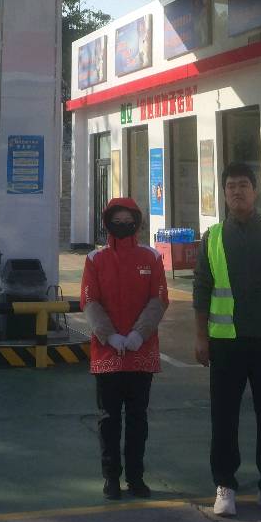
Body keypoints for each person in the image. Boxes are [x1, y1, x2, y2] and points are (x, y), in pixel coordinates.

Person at [193, 162, 261, 519]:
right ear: (224, 194)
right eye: (231, 186)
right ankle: (225, 485)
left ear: (255, 191)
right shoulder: (212, 238)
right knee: (224, 416)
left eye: (243, 185)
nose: (237, 191)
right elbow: (201, 289)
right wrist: (201, 337)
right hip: (225, 343)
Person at [81, 196, 169, 500]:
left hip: (141, 352)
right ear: (108, 223)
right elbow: (89, 301)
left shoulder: (151, 257)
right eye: (116, 221)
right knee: (108, 419)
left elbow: (159, 299)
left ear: (137, 222)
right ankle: (111, 478)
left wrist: (138, 335)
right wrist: (110, 336)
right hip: (107, 352)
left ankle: (135, 477)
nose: (122, 225)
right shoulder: (95, 259)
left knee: (137, 418)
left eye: (127, 220)